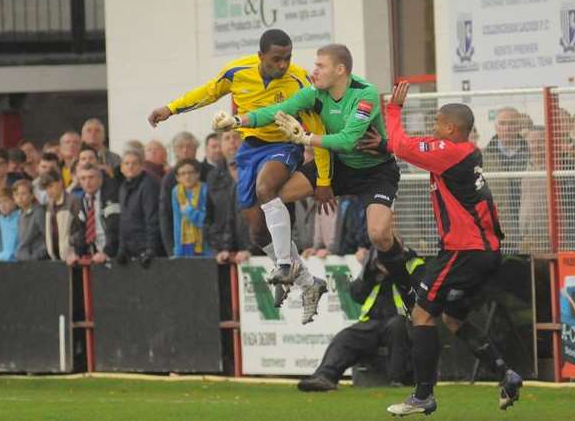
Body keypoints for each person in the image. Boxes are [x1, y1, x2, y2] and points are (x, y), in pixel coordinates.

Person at [148, 29, 330, 323]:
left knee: (265, 187)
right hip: (250, 148)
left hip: (284, 145)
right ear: (260, 57)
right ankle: (310, 284)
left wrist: (323, 177)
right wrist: (170, 109)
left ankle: (285, 265)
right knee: (257, 232)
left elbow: (317, 127)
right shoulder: (238, 73)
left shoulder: (298, 80)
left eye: (288, 58)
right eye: (276, 59)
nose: (283, 65)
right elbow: (207, 93)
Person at [222, 43, 414, 319]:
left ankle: (407, 290)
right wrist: (238, 119)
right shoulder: (314, 92)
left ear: (340, 70)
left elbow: (348, 141)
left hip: (375, 172)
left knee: (380, 235)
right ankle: (293, 270)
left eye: (320, 66)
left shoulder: (366, 93)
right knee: (272, 195)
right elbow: (279, 110)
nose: (313, 71)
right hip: (340, 167)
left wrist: (305, 139)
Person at [383, 82, 521, 416]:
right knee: (453, 319)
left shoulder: (450, 151)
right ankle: (506, 373)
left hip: (464, 250)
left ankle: (422, 395)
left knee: (421, 314)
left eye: (437, 124)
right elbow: (408, 148)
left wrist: (392, 110)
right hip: (485, 252)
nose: (433, 129)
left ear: (450, 128)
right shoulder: (466, 153)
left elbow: (400, 144)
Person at [298, 248, 425, 392]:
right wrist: (371, 274)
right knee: (345, 337)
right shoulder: (373, 267)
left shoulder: (415, 263)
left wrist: (397, 272)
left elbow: (421, 294)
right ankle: (324, 377)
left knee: (397, 326)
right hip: (372, 322)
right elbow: (357, 294)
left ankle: (398, 380)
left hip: (404, 319)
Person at [482, 107, 529, 251]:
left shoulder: (532, 153)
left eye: (512, 123)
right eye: (502, 123)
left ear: (520, 126)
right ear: (496, 127)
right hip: (498, 228)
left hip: (528, 226)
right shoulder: (483, 157)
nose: (507, 128)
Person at [207, 130, 254, 265]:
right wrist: (219, 249)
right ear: (220, 145)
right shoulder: (213, 177)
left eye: (236, 137)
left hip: (257, 253)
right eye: (227, 138)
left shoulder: (257, 171)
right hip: (225, 255)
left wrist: (253, 249)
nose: (232, 141)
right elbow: (209, 219)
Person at [118, 144, 163, 266]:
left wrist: (151, 249)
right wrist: (122, 248)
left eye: (134, 163)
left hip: (146, 251)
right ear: (121, 168)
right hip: (130, 250)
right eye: (126, 163)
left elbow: (152, 218)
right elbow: (123, 220)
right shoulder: (123, 187)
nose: (130, 167)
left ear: (142, 166)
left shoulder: (149, 185)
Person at [158, 131, 200, 255]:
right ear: (175, 151)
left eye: (189, 146)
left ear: (196, 149)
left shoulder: (207, 172)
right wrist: (171, 249)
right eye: (180, 147)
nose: (185, 150)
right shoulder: (169, 179)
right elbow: (165, 215)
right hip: (180, 244)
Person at [71, 162, 120, 264]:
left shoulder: (111, 195)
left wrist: (107, 252)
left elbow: (114, 227)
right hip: (96, 255)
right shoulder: (84, 199)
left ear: (100, 178)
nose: (87, 182)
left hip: (115, 254)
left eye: (91, 177)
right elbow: (82, 229)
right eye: (83, 178)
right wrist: (77, 253)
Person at [171, 158, 212, 257]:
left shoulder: (205, 190)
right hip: (186, 244)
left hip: (206, 243)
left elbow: (207, 220)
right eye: (183, 173)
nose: (187, 176)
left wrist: (189, 211)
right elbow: (177, 222)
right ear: (177, 177)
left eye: (191, 172)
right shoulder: (176, 192)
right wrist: (178, 250)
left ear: (198, 174)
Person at [40, 169, 80, 265]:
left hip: (74, 258)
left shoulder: (74, 201)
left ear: (60, 183)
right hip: (55, 259)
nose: (48, 191)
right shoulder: (49, 205)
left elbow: (82, 228)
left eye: (51, 186)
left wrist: (70, 242)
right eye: (46, 188)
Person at [13, 179, 48, 261]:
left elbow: (48, 237)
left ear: (32, 195)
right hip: (23, 260)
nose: (20, 197)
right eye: (16, 194)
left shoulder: (39, 212)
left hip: (37, 262)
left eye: (23, 193)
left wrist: (35, 256)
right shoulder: (20, 214)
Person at [0, 186, 20, 262]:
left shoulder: (20, 216)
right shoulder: (1, 218)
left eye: (6, 201)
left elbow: (13, 247)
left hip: (19, 263)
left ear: (14, 201)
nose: (2, 205)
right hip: (4, 263)